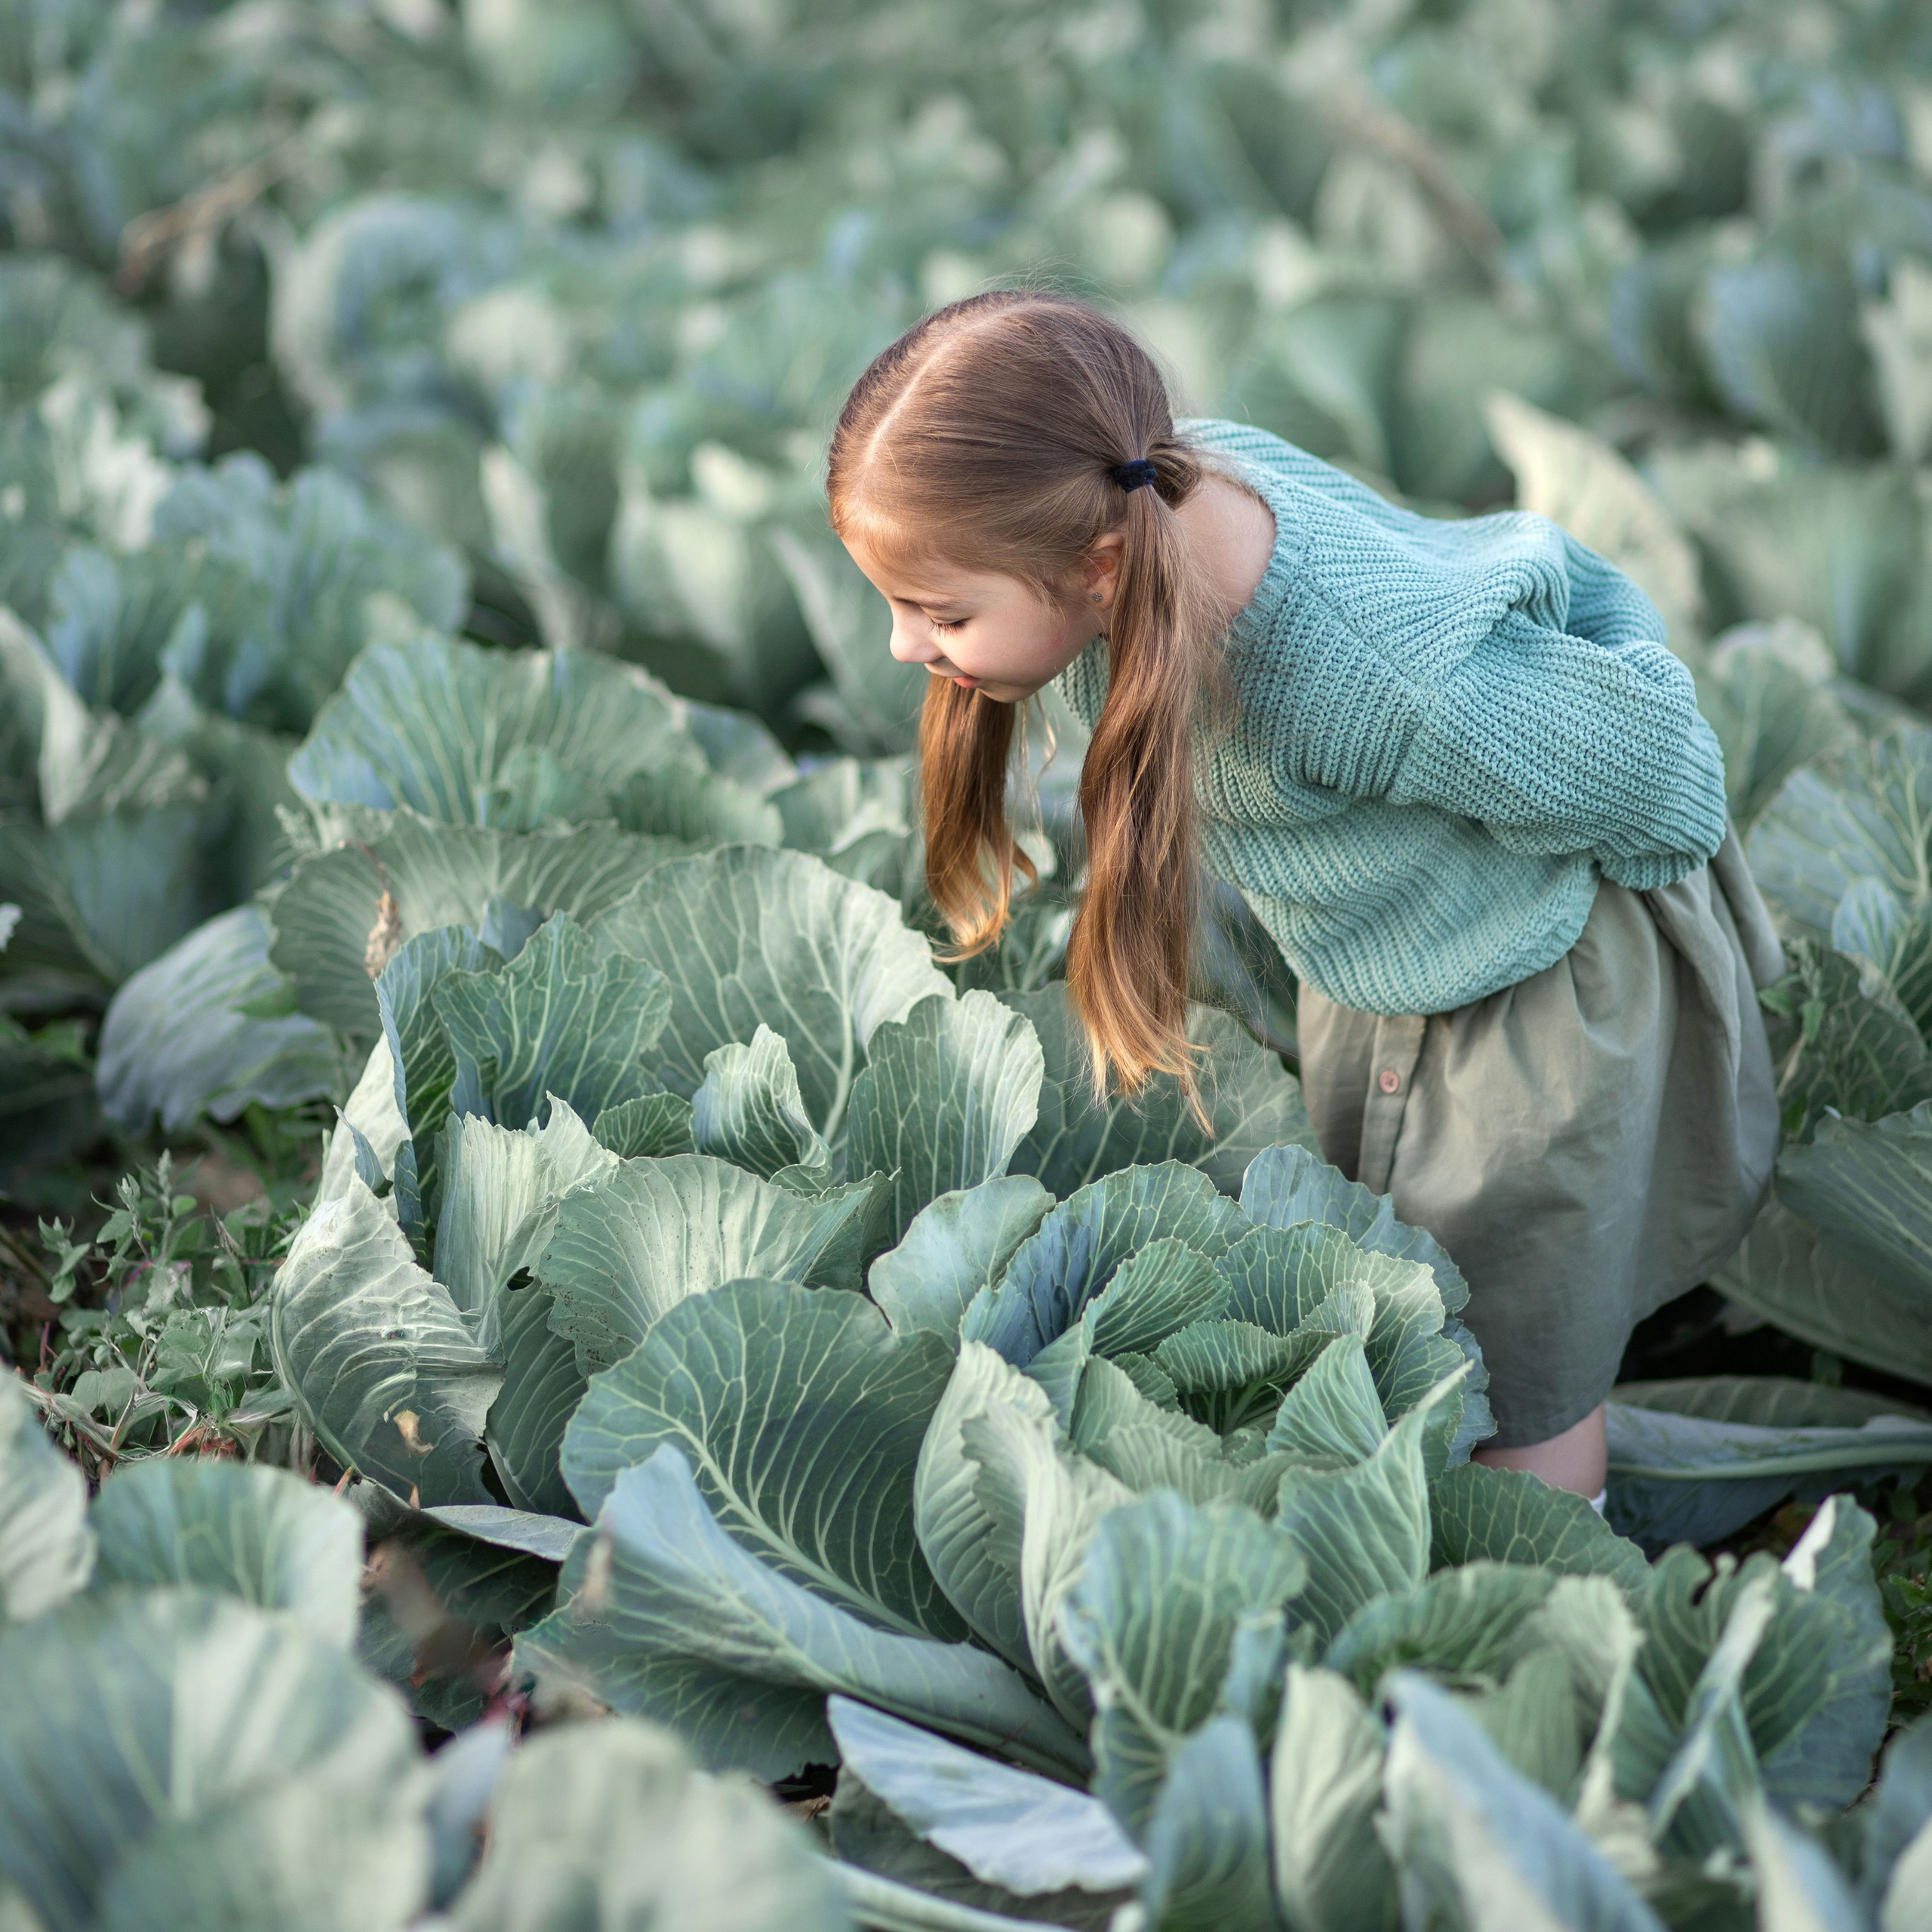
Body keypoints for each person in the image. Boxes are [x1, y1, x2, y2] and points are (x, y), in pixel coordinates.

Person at [826, 289, 1781, 1502]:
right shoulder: (1130, 489)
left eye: (941, 613)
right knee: (1425, 1287)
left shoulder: (1342, 675)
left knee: (1518, 1371)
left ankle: (1557, 1591)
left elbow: (1654, 765)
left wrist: (1664, 919)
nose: (908, 647)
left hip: (1527, 991)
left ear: (1098, 571)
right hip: (1386, 964)